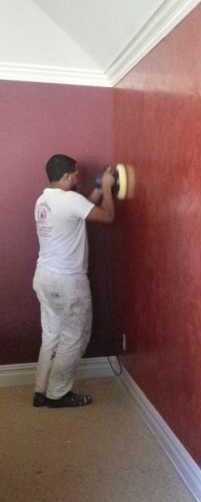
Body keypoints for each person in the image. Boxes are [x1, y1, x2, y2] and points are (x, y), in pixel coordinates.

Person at [32, 154, 115, 408]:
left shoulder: (43, 200)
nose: (78, 177)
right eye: (76, 174)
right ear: (67, 176)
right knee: (74, 336)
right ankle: (58, 394)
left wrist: (99, 187)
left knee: (52, 335)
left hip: (44, 278)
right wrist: (108, 189)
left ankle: (41, 390)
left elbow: (81, 211)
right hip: (68, 282)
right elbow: (107, 216)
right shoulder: (70, 200)